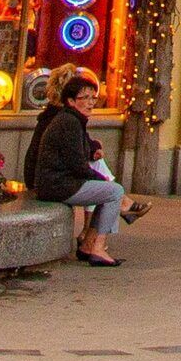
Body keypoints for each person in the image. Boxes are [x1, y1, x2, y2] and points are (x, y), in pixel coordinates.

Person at [22, 69, 123, 266]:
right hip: (57, 186)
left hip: (60, 183)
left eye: (93, 98)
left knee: (109, 191)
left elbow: (79, 156)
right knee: (115, 191)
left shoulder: (73, 120)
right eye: (84, 98)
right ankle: (98, 247)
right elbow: (77, 165)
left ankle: (90, 244)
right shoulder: (68, 122)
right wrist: (102, 180)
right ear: (70, 101)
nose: (90, 103)